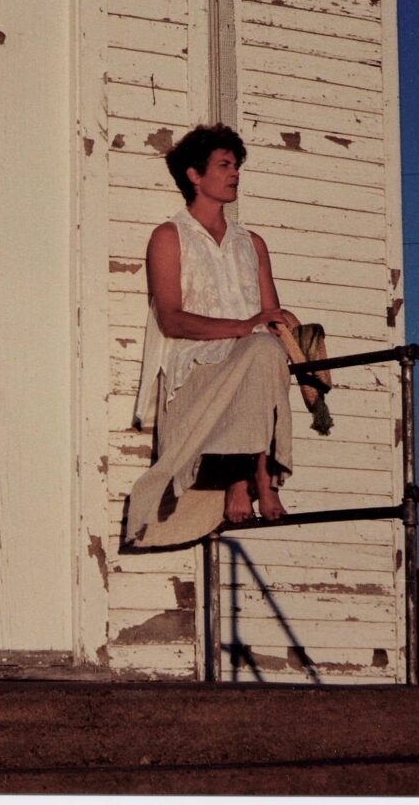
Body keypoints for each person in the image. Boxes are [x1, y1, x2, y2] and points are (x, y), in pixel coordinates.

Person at [125, 123, 302, 548]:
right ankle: (249, 476)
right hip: (196, 369)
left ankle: (253, 474)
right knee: (257, 346)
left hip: (252, 359)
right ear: (194, 175)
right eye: (224, 165)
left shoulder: (251, 243)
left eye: (237, 165)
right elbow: (171, 319)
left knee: (265, 346)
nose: (235, 173)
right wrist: (243, 326)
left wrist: (289, 327)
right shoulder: (170, 236)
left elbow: (269, 318)